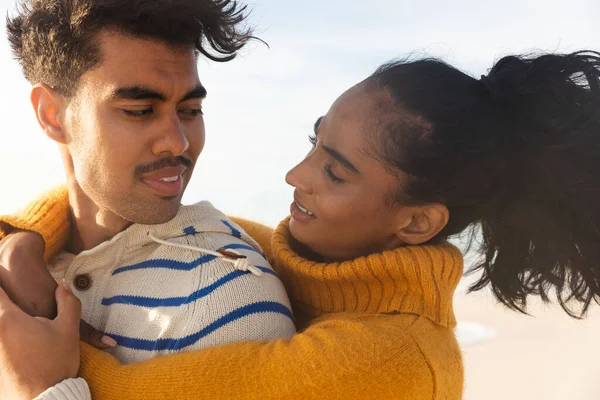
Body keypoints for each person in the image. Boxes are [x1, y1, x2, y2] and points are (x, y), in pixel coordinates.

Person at [2, 50, 600, 398]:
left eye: (335, 173)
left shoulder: (390, 360)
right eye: (314, 143)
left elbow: (127, 393)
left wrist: (49, 371)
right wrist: (21, 239)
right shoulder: (301, 255)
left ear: (417, 222)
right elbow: (132, 215)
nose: (294, 174)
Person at [0, 0, 296, 368]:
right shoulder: (19, 269)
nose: (178, 142)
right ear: (52, 114)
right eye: (139, 111)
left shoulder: (228, 296)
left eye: (190, 111)